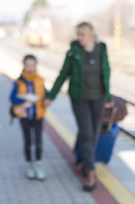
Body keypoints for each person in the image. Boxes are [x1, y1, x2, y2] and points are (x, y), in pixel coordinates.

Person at [44, 22, 112, 191]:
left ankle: (83, 158)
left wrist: (109, 96)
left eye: (82, 35)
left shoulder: (101, 49)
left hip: (99, 98)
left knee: (93, 134)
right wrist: (51, 95)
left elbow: (107, 72)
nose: (79, 38)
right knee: (87, 133)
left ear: (91, 35)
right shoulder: (73, 51)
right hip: (79, 98)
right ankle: (90, 172)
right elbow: (63, 74)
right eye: (78, 35)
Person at [9, 54, 48, 180]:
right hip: (24, 117)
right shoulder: (18, 82)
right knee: (28, 142)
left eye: (32, 65)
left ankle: (38, 165)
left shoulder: (40, 80)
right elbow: (12, 97)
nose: (30, 68)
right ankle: (29, 166)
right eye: (27, 65)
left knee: (38, 142)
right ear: (24, 65)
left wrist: (47, 100)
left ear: (36, 66)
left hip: (38, 116)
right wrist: (23, 98)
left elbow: (45, 95)